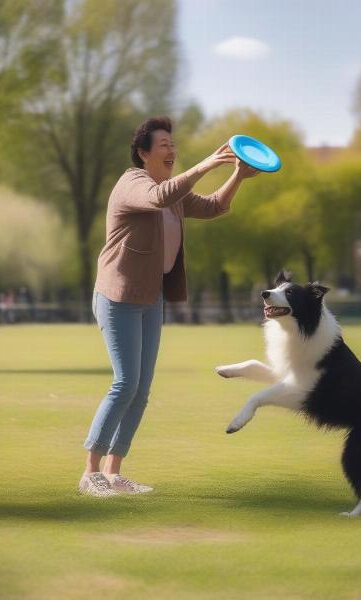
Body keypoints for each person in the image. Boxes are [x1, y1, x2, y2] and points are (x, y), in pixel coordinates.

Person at [79, 116, 260, 497]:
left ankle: (114, 473)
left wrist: (239, 176)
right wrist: (208, 164)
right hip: (118, 296)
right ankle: (90, 473)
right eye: (163, 145)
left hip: (150, 298)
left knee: (141, 390)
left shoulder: (174, 194)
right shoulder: (133, 183)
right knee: (125, 383)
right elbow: (158, 197)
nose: (172, 150)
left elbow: (212, 207)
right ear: (143, 153)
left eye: (172, 145)